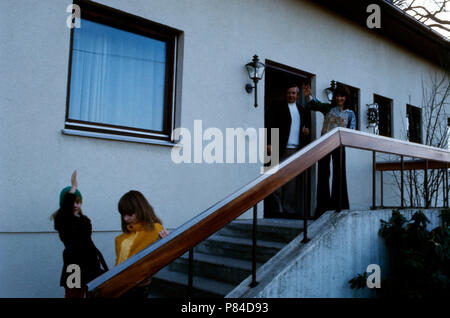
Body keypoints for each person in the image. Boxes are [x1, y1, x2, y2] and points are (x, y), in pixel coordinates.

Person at [51, 170, 108, 298]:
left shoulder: (85, 220)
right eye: (72, 202)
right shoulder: (61, 221)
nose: (75, 205)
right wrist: (74, 187)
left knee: (96, 294)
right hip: (74, 267)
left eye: (78, 202)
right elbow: (65, 214)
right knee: (74, 295)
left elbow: (88, 242)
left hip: (91, 264)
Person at [303, 83, 356, 217]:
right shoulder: (328, 108)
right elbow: (317, 104)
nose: (339, 99)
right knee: (323, 174)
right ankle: (322, 209)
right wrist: (308, 96)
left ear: (346, 97)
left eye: (342, 96)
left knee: (339, 174)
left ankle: (339, 206)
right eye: (337, 96)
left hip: (340, 145)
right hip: (324, 144)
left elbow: (352, 132)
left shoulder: (350, 114)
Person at [267, 83, 312, 218]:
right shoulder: (276, 106)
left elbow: (307, 130)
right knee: (274, 179)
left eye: (293, 93)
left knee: (291, 183)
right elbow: (268, 124)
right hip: (277, 147)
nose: (291, 95)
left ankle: (288, 210)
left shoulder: (303, 110)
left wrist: (306, 132)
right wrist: (268, 143)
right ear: (285, 94)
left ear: (297, 95)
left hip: (295, 150)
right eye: (289, 93)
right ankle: (276, 209)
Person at [115, 190, 169, 297]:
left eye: (130, 214)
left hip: (138, 288)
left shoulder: (155, 229)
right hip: (118, 286)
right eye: (123, 215)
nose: (126, 219)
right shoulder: (121, 238)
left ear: (141, 209)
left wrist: (162, 242)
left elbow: (158, 260)